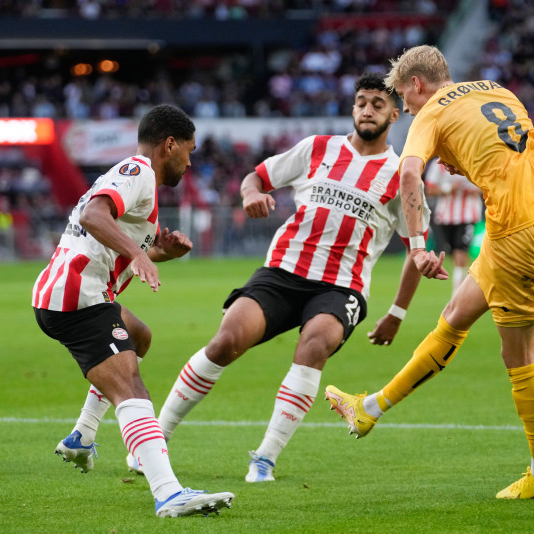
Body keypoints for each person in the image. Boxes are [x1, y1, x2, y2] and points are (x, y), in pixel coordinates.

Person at [325, 45, 534, 500]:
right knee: (456, 315)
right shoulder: (495, 89)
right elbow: (516, 144)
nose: (406, 109)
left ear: (417, 85)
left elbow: (408, 176)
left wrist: (418, 246)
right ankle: (370, 409)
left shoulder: (430, 114)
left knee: (518, 356)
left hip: (519, 225)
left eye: (404, 98)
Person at [156, 72, 429, 482]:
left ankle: (264, 458)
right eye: (361, 102)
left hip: (341, 286)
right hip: (282, 272)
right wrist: (250, 194)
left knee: (315, 342)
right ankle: (154, 443)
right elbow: (257, 177)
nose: (367, 110)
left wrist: (397, 312)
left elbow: (416, 251)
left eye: (377, 103)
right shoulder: (316, 148)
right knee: (225, 340)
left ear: (394, 113)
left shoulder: (401, 176)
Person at [33, 104, 233, 518]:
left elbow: (122, 241)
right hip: (79, 298)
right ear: (170, 144)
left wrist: (159, 251)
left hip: (76, 296)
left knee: (139, 337)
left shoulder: (141, 184)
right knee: (131, 388)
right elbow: (93, 216)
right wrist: (136, 255)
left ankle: (82, 437)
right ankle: (168, 493)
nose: (189, 162)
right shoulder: (138, 171)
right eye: (188, 151)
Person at [424, 161, 483, 295]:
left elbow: (490, 184)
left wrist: (477, 189)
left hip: (468, 214)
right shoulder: (438, 164)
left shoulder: (472, 159)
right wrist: (449, 188)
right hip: (446, 216)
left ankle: (457, 294)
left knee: (460, 252)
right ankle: (466, 284)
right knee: (454, 254)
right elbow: (430, 189)